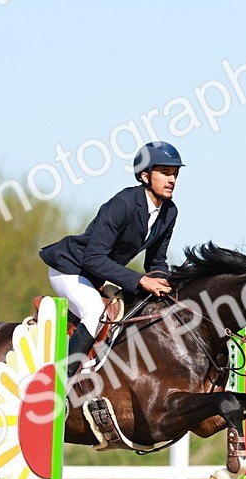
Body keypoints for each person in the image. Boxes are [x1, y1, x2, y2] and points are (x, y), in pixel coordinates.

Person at [40, 141, 182, 381]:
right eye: (165, 173)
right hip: (71, 269)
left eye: (175, 174)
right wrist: (140, 281)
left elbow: (157, 262)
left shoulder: (169, 211)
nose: (172, 180)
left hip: (99, 275)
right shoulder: (123, 204)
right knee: (94, 311)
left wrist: (164, 284)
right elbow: (93, 258)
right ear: (145, 176)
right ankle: (61, 383)